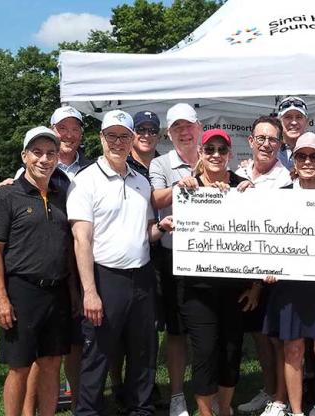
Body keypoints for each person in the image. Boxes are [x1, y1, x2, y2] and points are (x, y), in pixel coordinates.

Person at [68, 110, 172, 415]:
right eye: (111, 135)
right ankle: (88, 411)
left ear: (132, 141)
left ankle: (140, 409)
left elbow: (146, 232)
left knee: (144, 350)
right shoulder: (84, 181)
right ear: (101, 138)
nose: (117, 141)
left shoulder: (141, 182)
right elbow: (81, 239)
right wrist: (90, 291)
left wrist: (163, 227)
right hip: (104, 277)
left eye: (124, 136)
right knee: (98, 353)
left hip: (141, 276)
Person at [0, 126, 74, 416]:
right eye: (37, 152)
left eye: (50, 153)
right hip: (22, 291)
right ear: (25, 156)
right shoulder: (7, 195)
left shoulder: (63, 194)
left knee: (51, 364)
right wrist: (0, 297)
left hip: (57, 291)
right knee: (20, 367)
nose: (44, 159)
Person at [172, 129, 261, 416]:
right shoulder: (189, 187)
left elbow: (262, 239)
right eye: (209, 149)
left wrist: (256, 286)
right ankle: (206, 412)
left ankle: (224, 409)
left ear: (230, 155)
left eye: (221, 150)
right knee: (205, 352)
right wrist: (189, 190)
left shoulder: (244, 188)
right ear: (200, 153)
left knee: (232, 351)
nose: (215, 155)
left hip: (234, 289)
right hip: (197, 289)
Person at [261, 132, 315, 416]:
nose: (308, 161)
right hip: (290, 287)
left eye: (314, 156)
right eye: (301, 156)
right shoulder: (280, 196)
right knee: (293, 351)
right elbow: (268, 239)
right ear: (294, 160)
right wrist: (269, 267)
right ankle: (297, 411)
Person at [234, 116, 292, 416]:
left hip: (274, 273)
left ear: (280, 144)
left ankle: (281, 399)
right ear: (251, 141)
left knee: (277, 338)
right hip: (245, 268)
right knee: (259, 336)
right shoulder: (239, 172)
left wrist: (259, 283)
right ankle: (269, 391)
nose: (266, 144)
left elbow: (280, 232)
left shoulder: (286, 180)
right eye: (261, 138)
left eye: (273, 139)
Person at [149, 103, 204, 416]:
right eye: (177, 128)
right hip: (174, 257)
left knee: (206, 329)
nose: (184, 132)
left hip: (210, 256)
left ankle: (206, 390)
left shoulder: (212, 154)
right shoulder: (161, 163)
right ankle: (177, 395)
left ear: (198, 127)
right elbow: (154, 199)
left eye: (188, 127)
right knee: (176, 331)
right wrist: (178, 188)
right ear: (169, 134)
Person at [111, 110, 164, 412]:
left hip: (156, 252)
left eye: (151, 130)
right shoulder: (121, 164)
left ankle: (143, 384)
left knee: (146, 329)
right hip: (123, 257)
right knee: (118, 330)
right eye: (140, 129)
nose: (146, 134)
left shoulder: (160, 164)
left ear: (158, 135)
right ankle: (118, 386)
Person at [276, 96, 309, 169]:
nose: (294, 122)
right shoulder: (271, 150)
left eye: (299, 117)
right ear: (279, 122)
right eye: (288, 117)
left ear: (306, 122)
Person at [128, 110, 163, 177]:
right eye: (141, 130)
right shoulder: (121, 164)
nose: (146, 135)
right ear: (131, 134)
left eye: (153, 131)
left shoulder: (166, 166)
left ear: (159, 137)